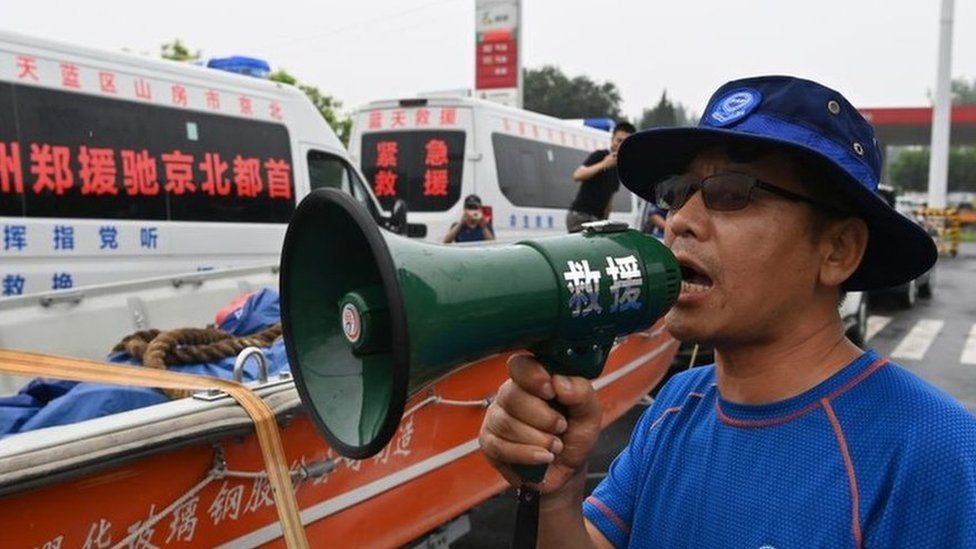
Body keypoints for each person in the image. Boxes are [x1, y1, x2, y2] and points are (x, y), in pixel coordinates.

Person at [479, 76, 976, 547]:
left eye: (733, 194)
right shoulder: (675, 405)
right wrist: (558, 497)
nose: (680, 221)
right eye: (676, 193)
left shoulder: (935, 449)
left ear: (838, 249)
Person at [566, 121, 636, 233]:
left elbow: (610, 199)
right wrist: (603, 164)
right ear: (612, 140)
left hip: (598, 220)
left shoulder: (619, 167)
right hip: (581, 216)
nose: (621, 145)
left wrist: (605, 220)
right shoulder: (600, 155)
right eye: (619, 140)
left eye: (625, 142)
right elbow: (577, 175)